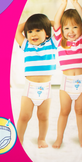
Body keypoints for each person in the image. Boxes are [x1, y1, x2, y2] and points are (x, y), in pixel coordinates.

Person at [52, 0, 82, 148]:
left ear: (81, 28)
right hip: (66, 83)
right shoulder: (60, 41)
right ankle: (59, 138)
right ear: (62, 30)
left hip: (81, 82)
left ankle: (81, 137)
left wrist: (75, 4)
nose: (71, 31)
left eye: (75, 27)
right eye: (67, 28)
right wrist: (63, 4)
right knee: (64, 111)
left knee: (80, 111)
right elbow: (56, 23)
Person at [15, 13, 57, 148]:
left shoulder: (52, 43)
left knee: (44, 117)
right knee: (24, 116)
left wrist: (47, 22)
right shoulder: (26, 45)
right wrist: (29, 23)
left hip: (46, 89)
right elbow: (16, 30)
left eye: (38, 30)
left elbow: (60, 27)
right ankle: (19, 140)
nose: (33, 34)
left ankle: (41, 139)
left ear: (47, 32)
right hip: (30, 88)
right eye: (30, 31)